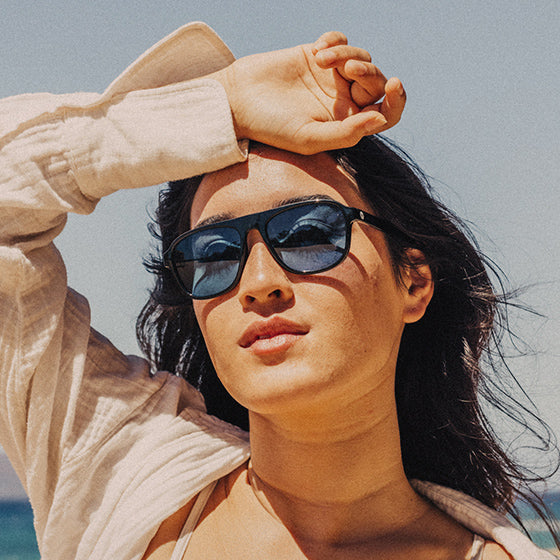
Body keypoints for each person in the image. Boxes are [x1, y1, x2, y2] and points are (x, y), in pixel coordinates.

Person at [0, 21, 557, 560]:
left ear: (412, 281)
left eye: (310, 235)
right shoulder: (121, 474)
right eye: (215, 254)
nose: (259, 284)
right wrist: (219, 106)